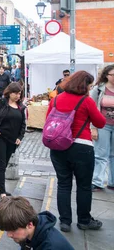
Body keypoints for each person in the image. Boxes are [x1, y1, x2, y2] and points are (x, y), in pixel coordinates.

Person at [48, 71, 106, 232]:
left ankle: (65, 222)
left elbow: (48, 120)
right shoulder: (86, 101)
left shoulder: (56, 99)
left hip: (58, 147)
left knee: (64, 184)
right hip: (82, 147)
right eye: (90, 85)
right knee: (84, 185)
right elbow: (100, 123)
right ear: (84, 85)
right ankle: (84, 220)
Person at [0, 196, 74, 249]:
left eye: (13, 230)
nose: (9, 235)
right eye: (7, 230)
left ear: (30, 224)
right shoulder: (29, 233)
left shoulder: (51, 246)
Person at [91, 64, 114, 192]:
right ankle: (97, 181)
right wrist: (93, 128)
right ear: (106, 75)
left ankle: (112, 182)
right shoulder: (99, 89)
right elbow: (92, 109)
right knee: (100, 154)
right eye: (113, 75)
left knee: (113, 155)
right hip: (103, 125)